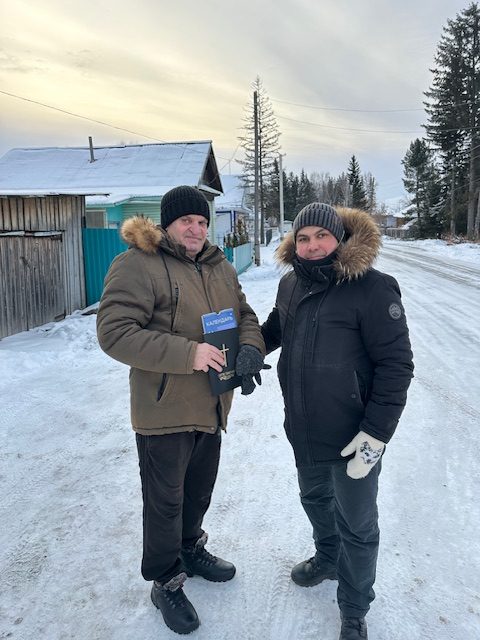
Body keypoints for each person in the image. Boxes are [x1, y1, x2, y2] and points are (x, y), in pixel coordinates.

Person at [97, 185, 265, 635]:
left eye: (203, 221)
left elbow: (245, 315)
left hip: (212, 402)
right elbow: (114, 332)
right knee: (164, 502)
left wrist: (250, 347)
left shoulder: (219, 265)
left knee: (198, 491)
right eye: (187, 220)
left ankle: (190, 549)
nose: (196, 229)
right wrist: (188, 353)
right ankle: (165, 581)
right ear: (167, 223)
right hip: (163, 407)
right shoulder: (138, 264)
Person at [261, 203, 414, 640]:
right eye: (303, 238)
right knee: (315, 500)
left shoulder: (373, 288)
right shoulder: (291, 283)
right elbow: (276, 329)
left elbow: (396, 366)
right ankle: (328, 558)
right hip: (305, 426)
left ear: (340, 238)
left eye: (321, 236)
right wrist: (249, 349)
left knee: (358, 526)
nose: (312, 246)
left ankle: (354, 608)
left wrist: (375, 436)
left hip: (355, 436)